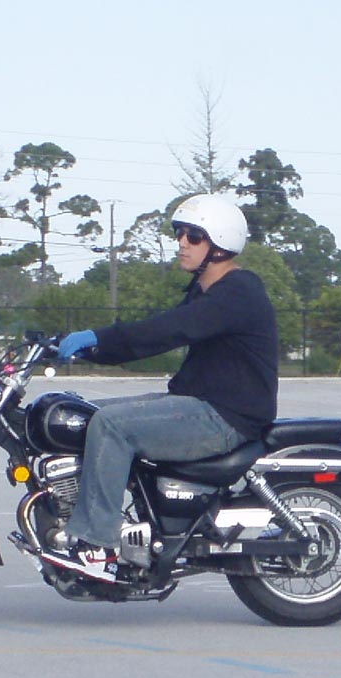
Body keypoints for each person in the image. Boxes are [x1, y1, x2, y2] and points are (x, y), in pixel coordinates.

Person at [46, 193, 279, 582]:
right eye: (179, 234)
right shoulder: (207, 290)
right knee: (90, 416)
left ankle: (96, 545)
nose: (182, 243)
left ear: (220, 243)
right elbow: (151, 337)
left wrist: (98, 336)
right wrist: (89, 350)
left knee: (112, 425)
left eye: (193, 236)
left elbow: (168, 330)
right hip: (202, 403)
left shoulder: (238, 292)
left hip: (226, 416)